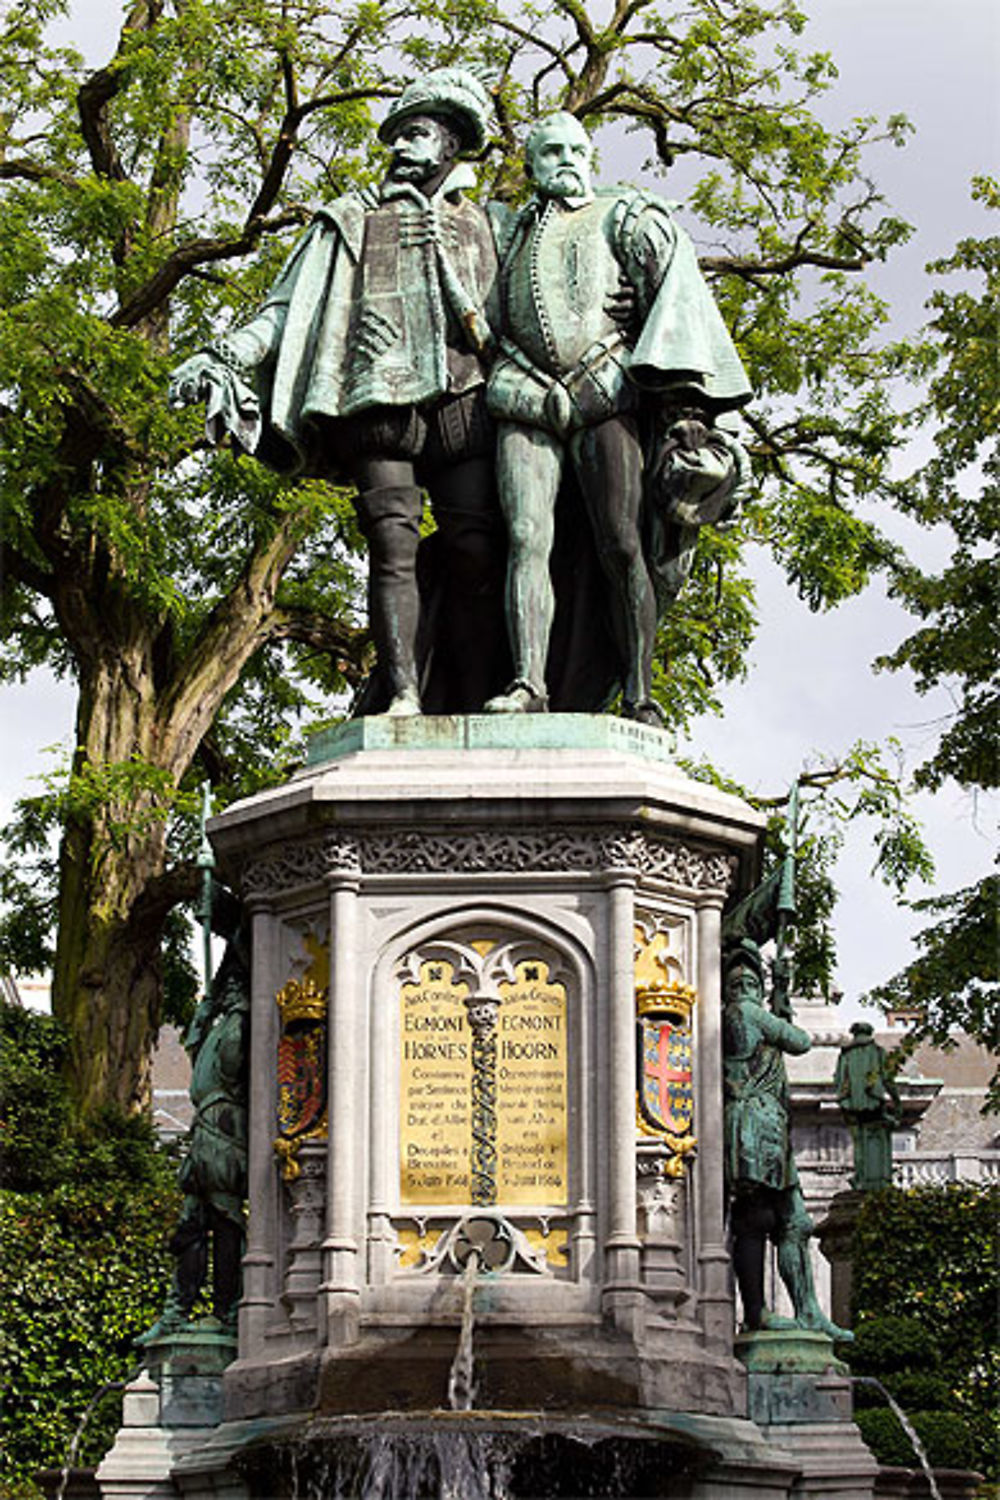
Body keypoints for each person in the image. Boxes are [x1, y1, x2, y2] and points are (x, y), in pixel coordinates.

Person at [170, 70, 507, 715]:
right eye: (399, 134)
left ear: (451, 145)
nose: (402, 146)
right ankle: (403, 695)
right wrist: (224, 353)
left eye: (417, 133)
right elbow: (283, 310)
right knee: (392, 545)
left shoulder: (491, 225)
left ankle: (476, 692)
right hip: (375, 400)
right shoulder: (350, 219)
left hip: (467, 401)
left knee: (477, 547)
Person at [483, 112, 752, 722]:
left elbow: (673, 303)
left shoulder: (627, 218)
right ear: (530, 166)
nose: (567, 161)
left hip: (603, 387)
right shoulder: (505, 231)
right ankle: (529, 682)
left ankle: (639, 692)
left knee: (622, 543)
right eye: (552, 152)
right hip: (522, 392)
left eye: (577, 150)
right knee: (526, 539)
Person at [722, 939, 850, 1340]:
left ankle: (808, 1311)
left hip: (768, 1127)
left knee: (794, 1221)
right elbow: (801, 1041)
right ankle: (758, 1313)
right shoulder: (746, 1013)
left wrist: (781, 996)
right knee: (756, 1218)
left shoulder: (745, 1014)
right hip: (755, 1127)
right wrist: (775, 1007)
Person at [139, 889, 250, 1341]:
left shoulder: (247, 1016)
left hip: (226, 1125)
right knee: (192, 1223)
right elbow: (194, 1053)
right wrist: (204, 1019)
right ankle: (176, 1310)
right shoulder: (222, 1018)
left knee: (224, 1219)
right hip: (206, 1123)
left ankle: (229, 1311)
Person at [835, 1020, 901, 1191]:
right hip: (872, 1100)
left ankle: (861, 1178)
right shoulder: (878, 1052)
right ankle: (875, 1179)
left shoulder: (845, 1054)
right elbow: (887, 1079)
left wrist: (843, 1099)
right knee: (875, 1136)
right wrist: (897, 1101)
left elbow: (839, 1080)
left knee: (858, 1141)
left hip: (850, 1102)